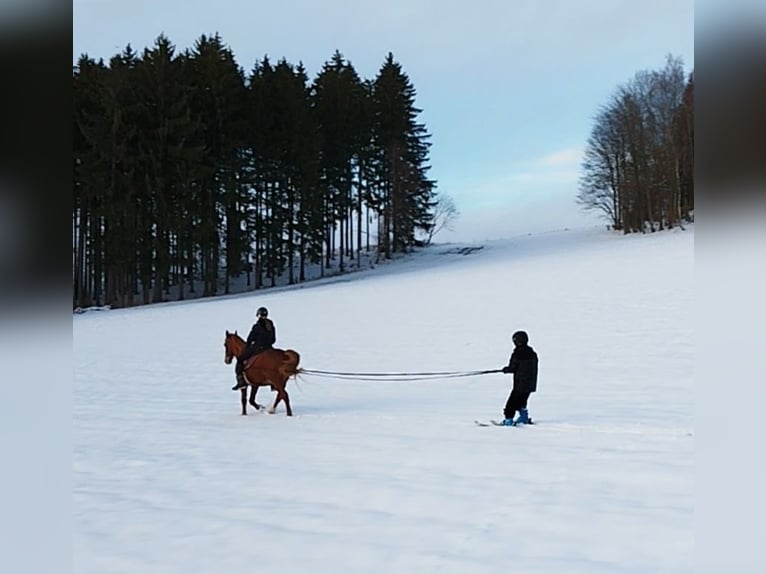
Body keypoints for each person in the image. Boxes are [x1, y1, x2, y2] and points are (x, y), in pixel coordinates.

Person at [232, 306, 277, 391]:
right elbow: (273, 339)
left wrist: (247, 346)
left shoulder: (257, 326)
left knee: (240, 360)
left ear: (258, 315)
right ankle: (273, 384)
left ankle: (241, 382)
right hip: (269, 348)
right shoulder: (271, 325)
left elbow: (250, 339)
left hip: (258, 348)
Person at [500, 330, 538, 425]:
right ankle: (523, 417)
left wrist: (506, 369)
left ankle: (508, 420)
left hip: (520, 384)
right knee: (522, 400)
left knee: (511, 404)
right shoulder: (532, 353)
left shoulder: (517, 353)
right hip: (530, 384)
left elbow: (513, 368)